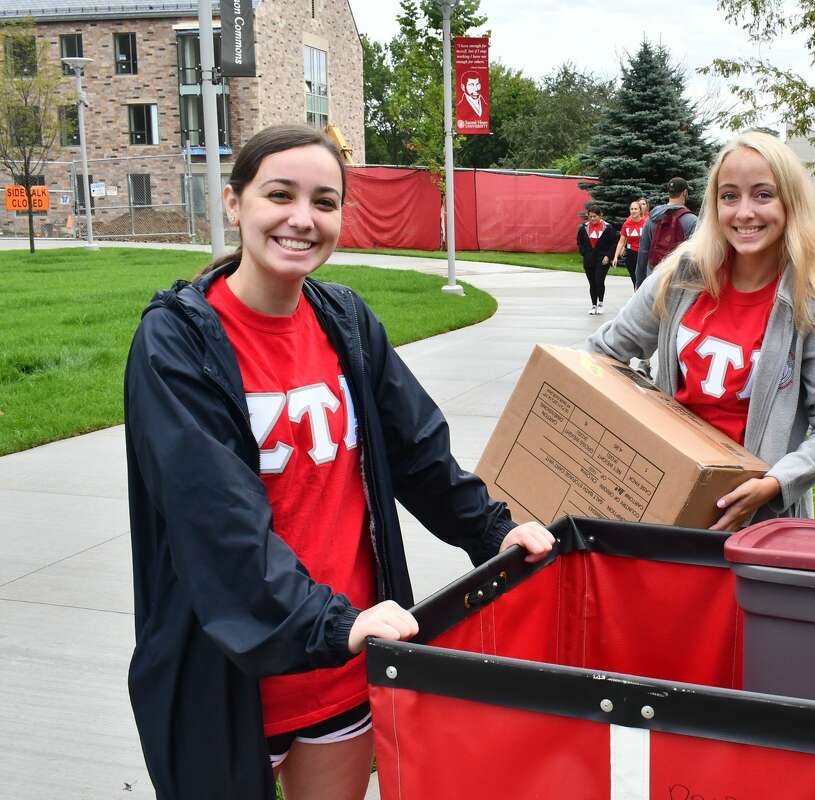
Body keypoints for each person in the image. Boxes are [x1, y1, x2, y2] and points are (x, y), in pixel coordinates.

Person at [123, 125, 554, 800]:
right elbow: (215, 519)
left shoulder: (345, 320)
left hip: (345, 664)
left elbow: (418, 453)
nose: (302, 218)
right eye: (279, 195)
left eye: (324, 201)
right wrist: (332, 623)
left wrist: (493, 531)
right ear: (234, 205)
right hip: (229, 672)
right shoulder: (177, 344)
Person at [588, 131, 815, 530]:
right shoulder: (680, 277)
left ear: (790, 203)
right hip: (668, 503)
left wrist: (775, 483)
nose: (744, 212)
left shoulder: (813, 299)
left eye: (763, 195)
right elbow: (603, 354)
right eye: (729, 196)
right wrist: (646, 422)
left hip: (761, 522)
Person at [635, 177, 698, 287]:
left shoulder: (652, 218)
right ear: (685, 193)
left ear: (669, 192)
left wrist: (639, 282)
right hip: (677, 284)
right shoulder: (691, 220)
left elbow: (643, 252)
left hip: (653, 281)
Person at [576, 202, 618, 315]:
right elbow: (579, 242)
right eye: (591, 216)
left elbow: (614, 243)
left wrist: (608, 256)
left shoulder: (608, 228)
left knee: (599, 281)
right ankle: (593, 304)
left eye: (595, 216)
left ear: (600, 216)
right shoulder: (584, 228)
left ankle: (600, 303)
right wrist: (584, 253)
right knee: (592, 283)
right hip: (589, 259)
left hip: (602, 259)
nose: (593, 219)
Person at [612, 199, 647, 287]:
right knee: (634, 279)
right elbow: (621, 241)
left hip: (643, 254)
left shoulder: (646, 223)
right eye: (632, 209)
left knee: (642, 278)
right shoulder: (626, 224)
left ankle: (642, 297)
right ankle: (637, 296)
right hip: (631, 254)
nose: (633, 211)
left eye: (635, 209)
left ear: (640, 210)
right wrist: (616, 257)